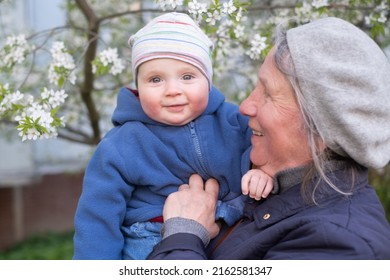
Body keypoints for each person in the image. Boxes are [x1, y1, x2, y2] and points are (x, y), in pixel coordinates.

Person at [147, 16, 390, 260]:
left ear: (322, 131)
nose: (245, 107)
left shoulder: (341, 247)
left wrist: (182, 236)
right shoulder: (256, 174)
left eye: (269, 95)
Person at [73, 12, 273, 260]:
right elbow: (98, 215)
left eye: (187, 76)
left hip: (230, 228)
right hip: (151, 237)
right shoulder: (123, 143)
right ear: (138, 86)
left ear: (208, 81)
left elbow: (269, 149)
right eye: (155, 79)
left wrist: (262, 172)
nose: (173, 90)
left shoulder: (234, 120)